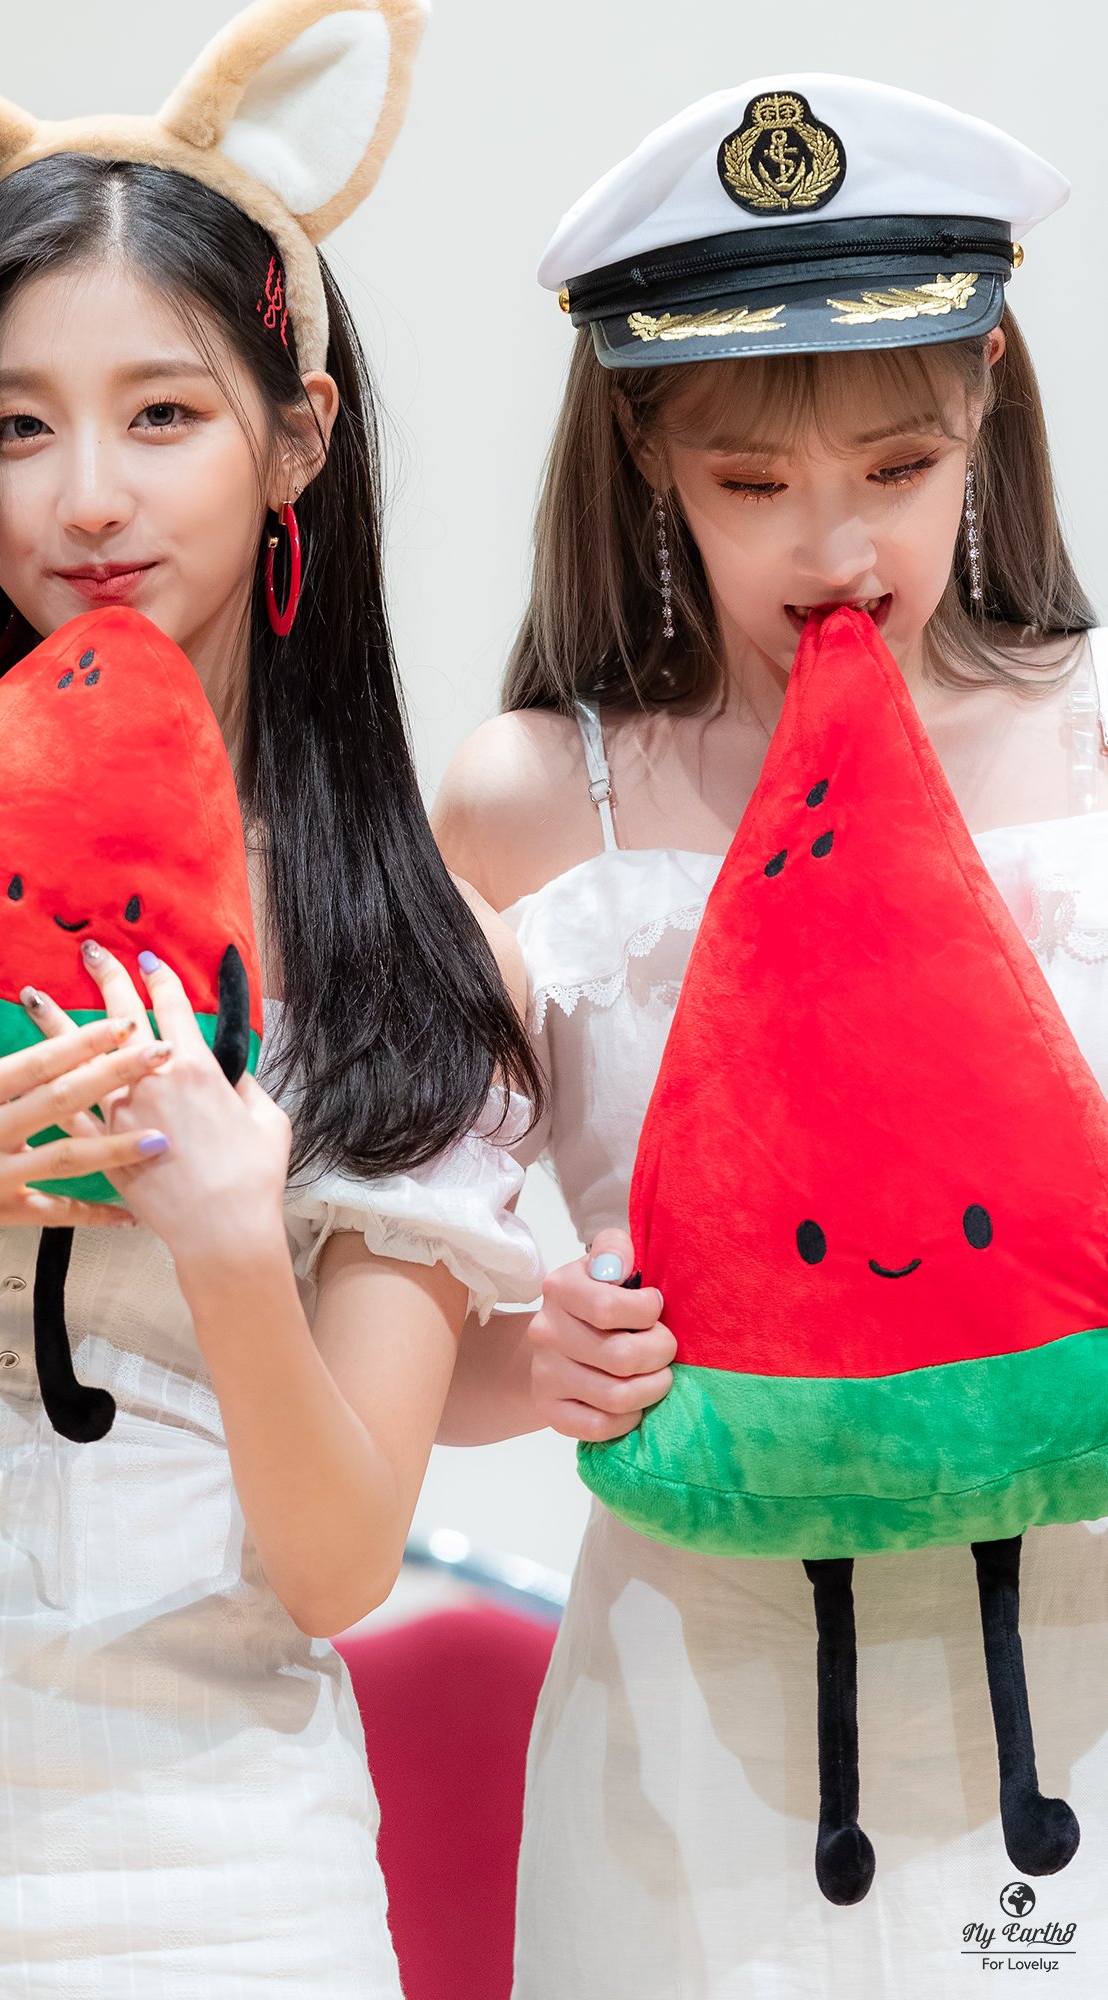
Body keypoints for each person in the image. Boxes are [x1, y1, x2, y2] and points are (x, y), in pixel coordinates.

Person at [0, 3, 543, 1992]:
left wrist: (227, 1247)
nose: (87, 498)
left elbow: (339, 1562)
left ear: (298, 436)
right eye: (19, 427)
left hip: (204, 1904)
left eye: (164, 415)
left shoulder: (410, 950)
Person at [434, 72, 1108, 1997]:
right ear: (644, 446)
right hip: (686, 1736)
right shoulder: (526, 801)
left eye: (898, 465)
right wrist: (534, 1355)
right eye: (751, 484)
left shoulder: (1096, 748)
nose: (836, 549)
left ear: (986, 390)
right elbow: (417, 1361)